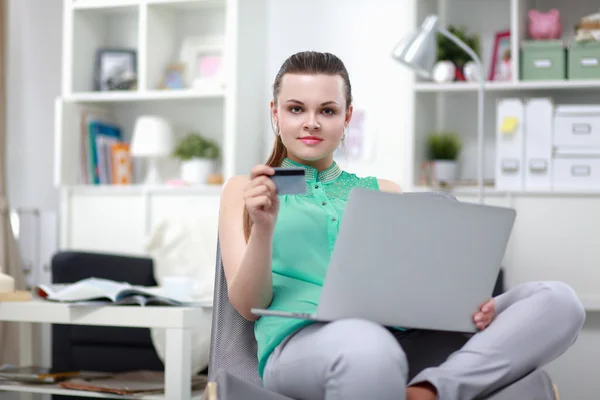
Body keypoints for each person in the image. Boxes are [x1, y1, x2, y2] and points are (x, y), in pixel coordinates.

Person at [218, 51, 585, 400]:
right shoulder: (244, 190)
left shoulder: (384, 191)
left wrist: (463, 306)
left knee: (558, 302)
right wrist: (264, 228)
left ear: (347, 117)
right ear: (276, 113)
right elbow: (249, 306)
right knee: (366, 346)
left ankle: (432, 390)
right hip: (301, 347)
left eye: (327, 110)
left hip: (399, 341)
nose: (311, 121)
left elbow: (408, 290)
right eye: (296, 108)